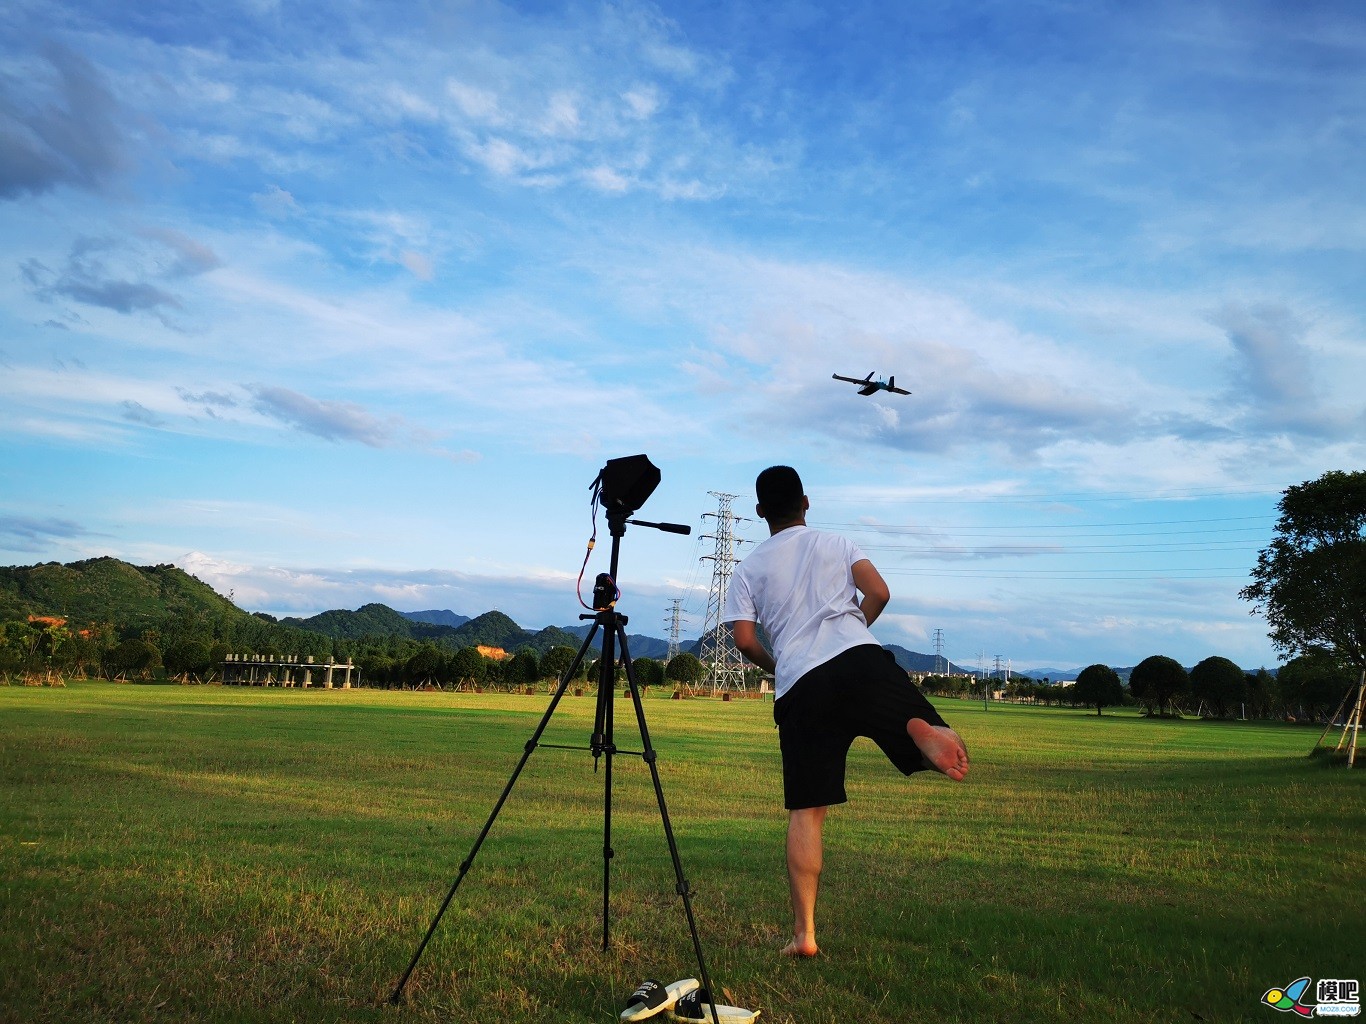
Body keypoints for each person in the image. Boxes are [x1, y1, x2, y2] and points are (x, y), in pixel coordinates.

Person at [722, 465, 969, 958]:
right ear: (806, 503)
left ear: (759, 512)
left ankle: (805, 936)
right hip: (861, 658)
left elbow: (744, 639)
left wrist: (780, 662)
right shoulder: (836, 543)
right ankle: (914, 731)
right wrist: (856, 627)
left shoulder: (748, 569)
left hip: (801, 683)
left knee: (807, 813)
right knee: (899, 720)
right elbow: (879, 592)